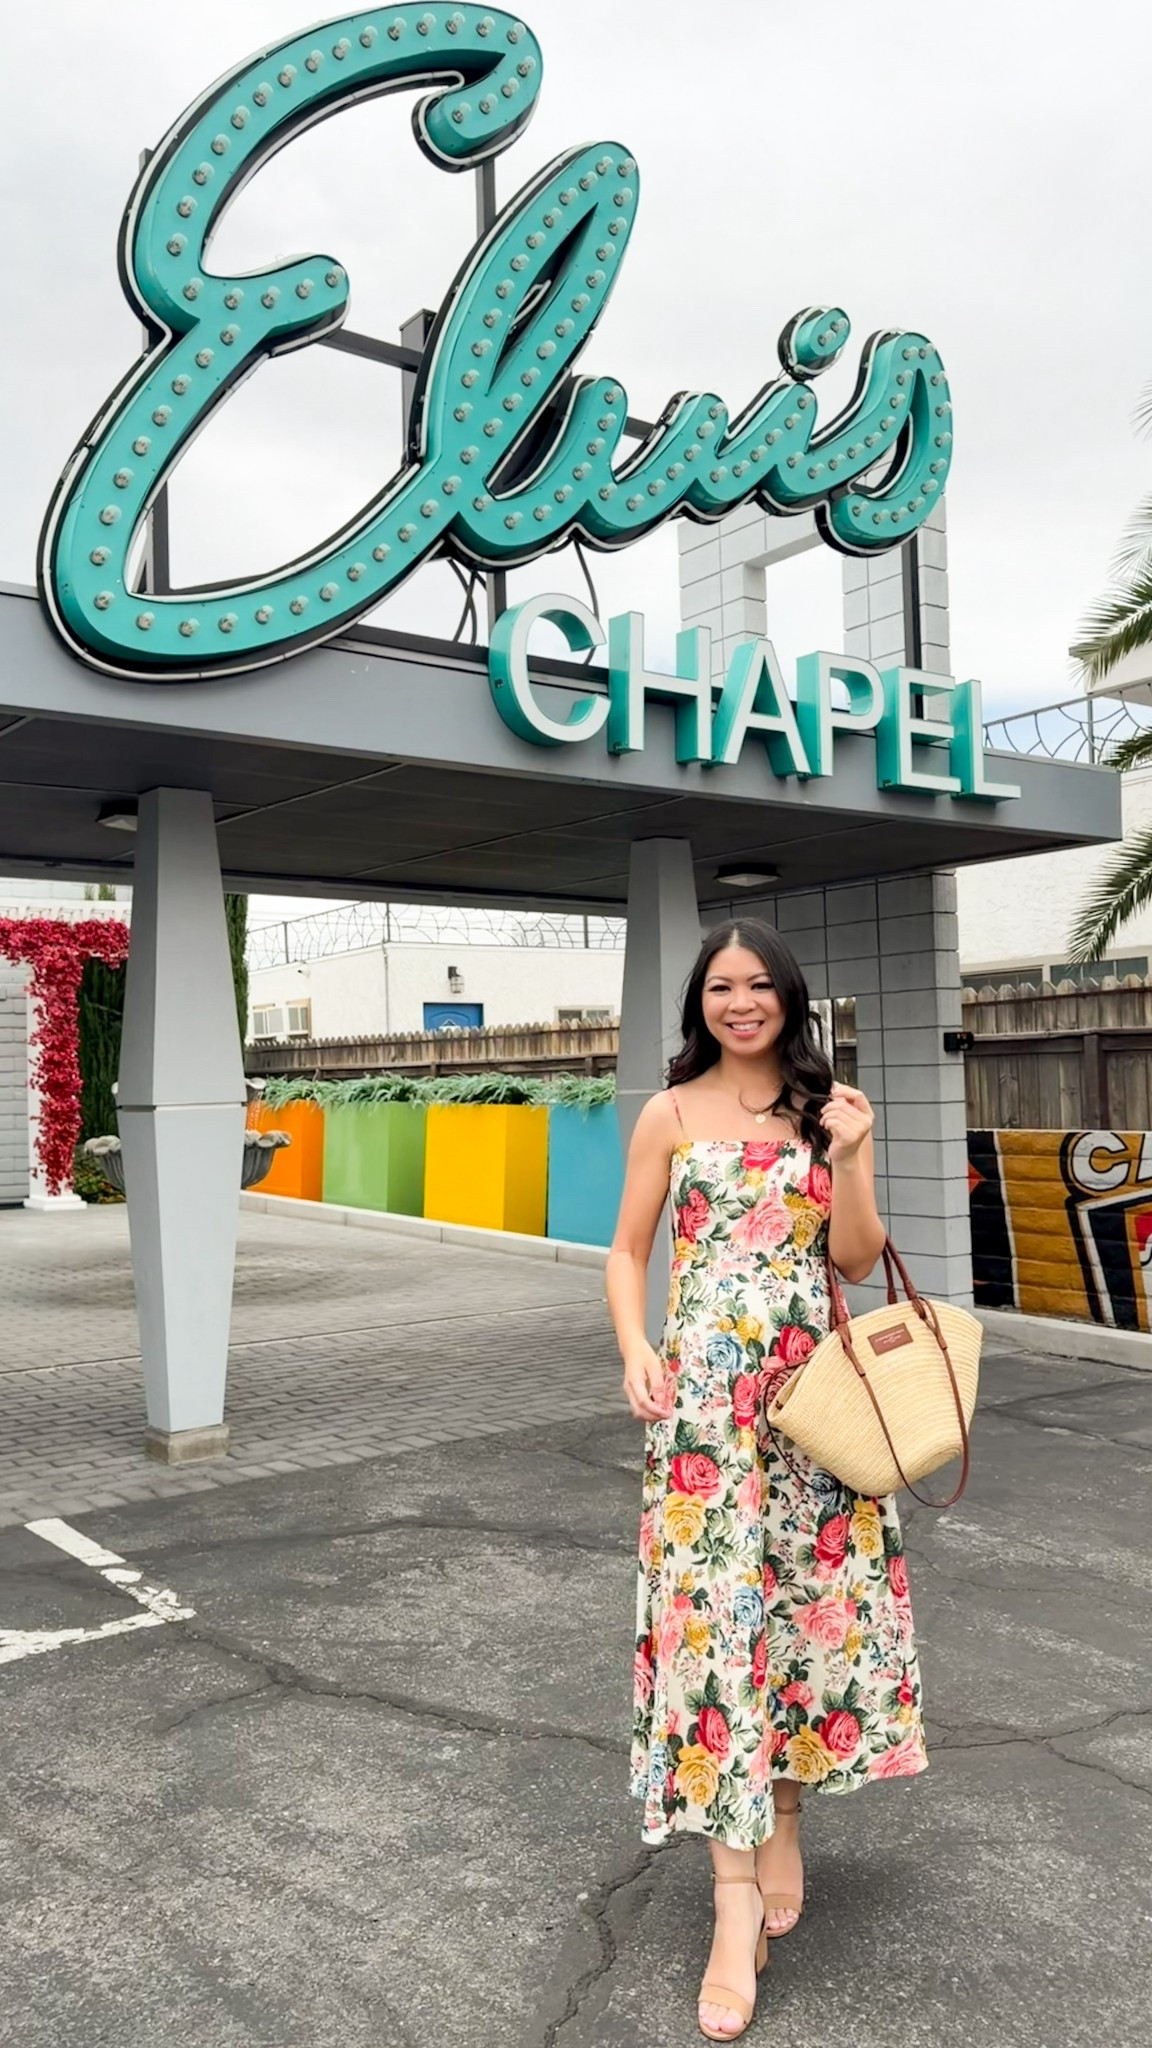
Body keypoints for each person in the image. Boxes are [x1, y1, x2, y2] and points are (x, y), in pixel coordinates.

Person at [605, 918, 929, 2042]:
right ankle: (731, 1901)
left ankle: (783, 1810)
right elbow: (628, 1247)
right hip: (704, 1411)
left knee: (801, 1615)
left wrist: (849, 1156)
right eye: (719, 985)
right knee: (714, 1626)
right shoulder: (670, 1111)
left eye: (758, 985)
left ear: (788, 997)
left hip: (814, 1403)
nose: (739, 1002)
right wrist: (635, 1343)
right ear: (699, 1001)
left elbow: (852, 1255)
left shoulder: (826, 1110)